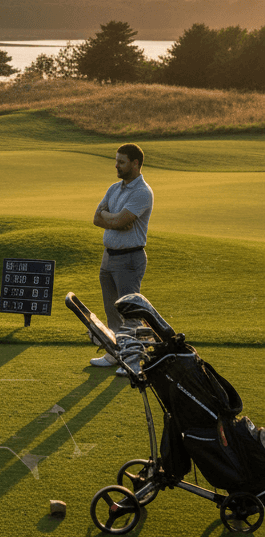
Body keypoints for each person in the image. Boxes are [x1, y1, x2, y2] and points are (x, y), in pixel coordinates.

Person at [89, 143, 154, 373]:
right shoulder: (114, 188)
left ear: (135, 164)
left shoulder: (142, 192)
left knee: (130, 312)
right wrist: (113, 218)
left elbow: (119, 221)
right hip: (108, 257)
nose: (116, 165)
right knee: (111, 310)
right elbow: (97, 218)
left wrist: (112, 218)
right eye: (116, 160)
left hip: (129, 259)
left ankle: (134, 361)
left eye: (122, 162)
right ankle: (115, 353)